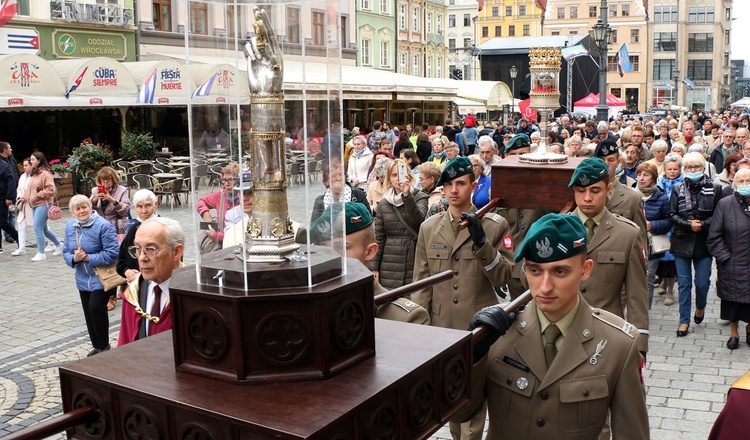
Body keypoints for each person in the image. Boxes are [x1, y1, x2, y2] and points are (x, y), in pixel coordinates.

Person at [455, 213, 649, 439]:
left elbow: (632, 433)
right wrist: (472, 355)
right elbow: (461, 414)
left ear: (585, 269)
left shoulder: (619, 345)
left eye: (559, 271)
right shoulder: (498, 333)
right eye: (535, 271)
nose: (545, 287)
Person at [411, 156, 513, 440]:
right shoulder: (429, 228)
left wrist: (481, 242)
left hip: (478, 329)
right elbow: (421, 282)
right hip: (442, 327)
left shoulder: (495, 225)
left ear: (473, 185)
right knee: (450, 400)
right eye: (448, 185)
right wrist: (417, 327)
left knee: (474, 400)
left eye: (461, 183)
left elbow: (506, 276)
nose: (454, 190)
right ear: (441, 190)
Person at [569, 157, 649, 355]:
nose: (587, 197)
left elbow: (636, 294)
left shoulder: (627, 234)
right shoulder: (558, 230)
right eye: (581, 190)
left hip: (608, 334)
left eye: (595, 190)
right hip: (565, 333)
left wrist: (640, 345)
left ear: (608, 189)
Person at [309, 202, 429, 324]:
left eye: (342, 247)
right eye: (324, 249)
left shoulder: (404, 317)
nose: (332, 257)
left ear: (370, 252)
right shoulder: (314, 309)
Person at [668, 152, 723, 337]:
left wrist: (702, 225)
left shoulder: (714, 188)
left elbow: (718, 215)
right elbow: (672, 215)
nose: (693, 170)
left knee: (702, 283)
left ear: (703, 168)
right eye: (689, 167)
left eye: (696, 167)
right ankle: (684, 320)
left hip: (704, 243)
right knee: (684, 284)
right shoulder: (677, 188)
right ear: (684, 169)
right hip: (682, 241)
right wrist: (689, 224)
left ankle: (700, 307)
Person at [62, 195, 119, 356]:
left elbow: (112, 253)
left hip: (101, 277)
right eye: (77, 209)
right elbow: (65, 251)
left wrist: (88, 257)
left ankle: (104, 344)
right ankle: (98, 345)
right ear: (73, 212)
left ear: (90, 207)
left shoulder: (103, 226)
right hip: (82, 277)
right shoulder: (70, 226)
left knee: (96, 308)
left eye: (84, 207)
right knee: (88, 311)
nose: (81, 211)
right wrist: (74, 258)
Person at [118, 217, 185, 346]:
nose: (142, 258)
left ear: (176, 252)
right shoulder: (133, 294)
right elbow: (124, 346)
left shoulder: (192, 297)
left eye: (151, 249)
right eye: (138, 249)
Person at [707, 168, 750, 350]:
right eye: (741, 181)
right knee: (732, 302)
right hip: (732, 264)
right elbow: (714, 237)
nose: (745, 184)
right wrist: (726, 258)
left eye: (749, 180)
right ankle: (734, 333)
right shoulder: (725, 204)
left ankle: (749, 328)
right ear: (734, 184)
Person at [371, 159, 428, 289]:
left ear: (408, 175)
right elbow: (378, 237)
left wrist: (407, 195)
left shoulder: (420, 197)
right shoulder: (384, 204)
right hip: (389, 261)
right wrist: (374, 267)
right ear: (389, 178)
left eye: (400, 174)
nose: (397, 179)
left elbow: (418, 219)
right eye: (394, 175)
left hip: (413, 257)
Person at [636, 162, 671, 308]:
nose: (641, 178)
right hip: (633, 243)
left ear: (654, 178)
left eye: (646, 175)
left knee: (647, 280)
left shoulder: (662, 198)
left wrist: (653, 225)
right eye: (639, 174)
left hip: (651, 246)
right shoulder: (631, 194)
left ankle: (644, 315)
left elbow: (668, 221)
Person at [116, 189, 159, 284]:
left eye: (148, 205)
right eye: (139, 206)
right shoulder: (132, 229)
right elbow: (121, 260)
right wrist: (127, 272)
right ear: (135, 207)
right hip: (136, 283)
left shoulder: (164, 227)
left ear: (156, 204)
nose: (144, 211)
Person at [25, 152, 62, 262]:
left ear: (39, 160)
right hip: (34, 204)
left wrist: (37, 195)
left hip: (43, 204)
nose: (31, 162)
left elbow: (51, 189)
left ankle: (41, 253)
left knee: (37, 227)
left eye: (32, 160)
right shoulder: (35, 173)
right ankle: (59, 245)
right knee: (44, 228)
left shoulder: (45, 173)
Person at [196, 162, 240, 254]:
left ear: (238, 181)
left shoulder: (245, 201)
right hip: (220, 249)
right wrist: (205, 214)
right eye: (224, 180)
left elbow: (240, 236)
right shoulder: (221, 195)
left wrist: (217, 236)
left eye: (230, 180)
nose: (226, 184)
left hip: (238, 246)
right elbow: (201, 201)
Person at [310, 157, 368, 225]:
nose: (338, 178)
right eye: (334, 176)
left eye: (341, 174)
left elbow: (367, 219)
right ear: (326, 181)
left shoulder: (358, 195)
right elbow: (315, 227)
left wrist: (348, 221)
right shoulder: (320, 201)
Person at [222, 173, 256, 248]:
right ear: (238, 195)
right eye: (242, 194)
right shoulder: (232, 217)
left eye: (250, 193)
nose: (244, 198)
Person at [11, 158, 32, 255]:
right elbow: (19, 189)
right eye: (24, 166)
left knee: (41, 226)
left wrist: (27, 197)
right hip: (23, 204)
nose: (24, 168)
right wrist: (20, 196)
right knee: (21, 224)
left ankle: (54, 242)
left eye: (27, 165)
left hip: (33, 204)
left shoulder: (35, 176)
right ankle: (22, 247)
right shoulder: (23, 176)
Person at [0, 149, 18, 254]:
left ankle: (17, 237)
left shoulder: (4, 165)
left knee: (3, 222)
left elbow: (12, 181)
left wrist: (9, 197)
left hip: (3, 198)